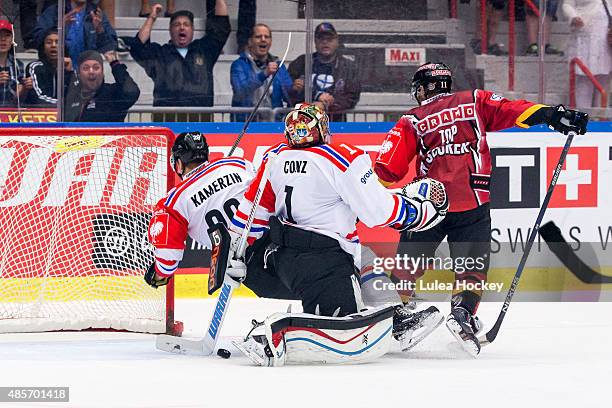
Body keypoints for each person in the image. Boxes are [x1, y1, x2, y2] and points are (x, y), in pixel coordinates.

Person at [374, 62, 589, 356]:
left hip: (429, 205)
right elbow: (518, 111)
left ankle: (397, 313)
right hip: (472, 200)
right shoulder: (474, 101)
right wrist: (554, 115)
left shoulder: (412, 120)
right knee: (472, 266)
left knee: (408, 264)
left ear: (423, 88)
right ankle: (462, 312)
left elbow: (387, 171)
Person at [229, 103, 448, 366]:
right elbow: (377, 212)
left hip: (280, 261)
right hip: (323, 263)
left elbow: (251, 212)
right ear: (322, 128)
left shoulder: (274, 156)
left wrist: (237, 253)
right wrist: (417, 213)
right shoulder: (341, 157)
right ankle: (275, 332)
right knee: (346, 331)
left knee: (365, 257)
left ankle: (396, 318)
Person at [143, 131, 298, 301]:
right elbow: (265, 189)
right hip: (281, 234)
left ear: (178, 164)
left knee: (295, 290)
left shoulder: (173, 202)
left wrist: (157, 276)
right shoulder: (237, 163)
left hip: (246, 263)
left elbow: (168, 258)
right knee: (312, 287)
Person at [130, 1, 230, 112]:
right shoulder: (160, 54)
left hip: (200, 120)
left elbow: (221, 29)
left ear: (192, 30)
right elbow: (138, 46)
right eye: (176, 25)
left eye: (186, 24)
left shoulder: (203, 50)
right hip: (167, 121)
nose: (182, 27)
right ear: (170, 30)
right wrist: (152, 18)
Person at [287, 22, 361, 121]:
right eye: (321, 39)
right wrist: (297, 90)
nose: (325, 42)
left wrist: (325, 105)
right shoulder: (301, 63)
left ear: (337, 42)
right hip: (304, 125)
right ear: (315, 42)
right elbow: (287, 92)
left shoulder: (348, 67)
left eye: (329, 39)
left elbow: (352, 97)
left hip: (336, 124)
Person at [230, 23, 292, 122]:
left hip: (272, 124)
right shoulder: (239, 65)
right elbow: (240, 91)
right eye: (258, 37)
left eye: (267, 37)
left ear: (270, 42)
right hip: (246, 124)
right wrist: (263, 75)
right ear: (250, 42)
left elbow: (289, 96)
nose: (263, 39)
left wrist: (296, 88)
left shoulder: (279, 66)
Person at [32, 0, 118, 68]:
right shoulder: (54, 11)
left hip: (88, 76)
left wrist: (100, 31)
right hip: (58, 74)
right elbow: (37, 40)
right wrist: (58, 26)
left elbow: (111, 46)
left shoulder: (96, 13)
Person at [64, 50, 140, 122]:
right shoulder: (71, 95)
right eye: (86, 68)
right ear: (79, 74)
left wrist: (115, 65)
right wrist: (67, 74)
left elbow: (131, 92)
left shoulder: (112, 94)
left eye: (96, 68)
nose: (91, 72)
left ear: (102, 72)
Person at [562, 0, 612, 108]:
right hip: (584, 33)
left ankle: (600, 120)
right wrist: (573, 16)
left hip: (606, 35)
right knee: (584, 81)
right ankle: (583, 119)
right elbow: (567, 4)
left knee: (604, 80)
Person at [25, 28, 73, 107]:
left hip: (64, 115)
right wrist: (63, 105)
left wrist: (68, 72)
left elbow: (75, 96)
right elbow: (38, 98)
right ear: (43, 47)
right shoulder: (34, 67)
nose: (53, 45)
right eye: (49, 42)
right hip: (38, 114)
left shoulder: (69, 67)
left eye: (57, 42)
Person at [0, 19, 31, 108]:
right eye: (0, 35)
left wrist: (25, 88)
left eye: (7, 35)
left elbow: (18, 100)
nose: (3, 39)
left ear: (12, 40)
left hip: (9, 115)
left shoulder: (18, 65)